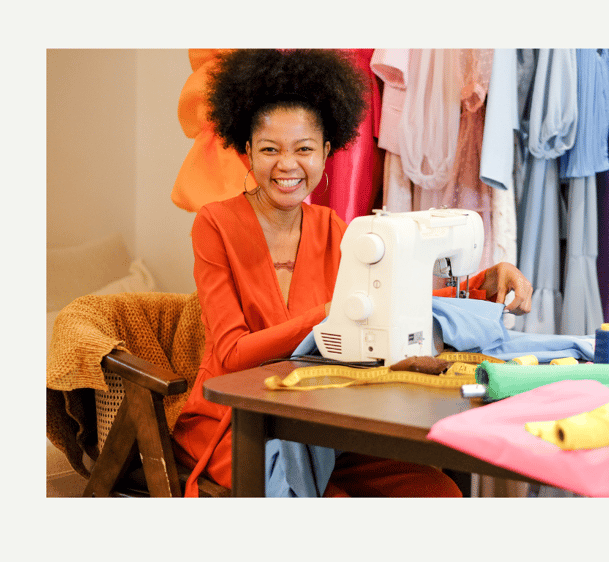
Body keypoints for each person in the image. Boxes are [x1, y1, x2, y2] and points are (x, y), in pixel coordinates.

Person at [171, 49, 533, 497]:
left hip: (319, 413)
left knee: (438, 493)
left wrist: (481, 284)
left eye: (304, 149)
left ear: (327, 152)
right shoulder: (215, 224)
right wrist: (333, 312)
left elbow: (397, 294)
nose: (287, 165)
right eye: (269, 149)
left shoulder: (333, 229)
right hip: (237, 422)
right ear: (246, 151)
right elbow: (231, 355)